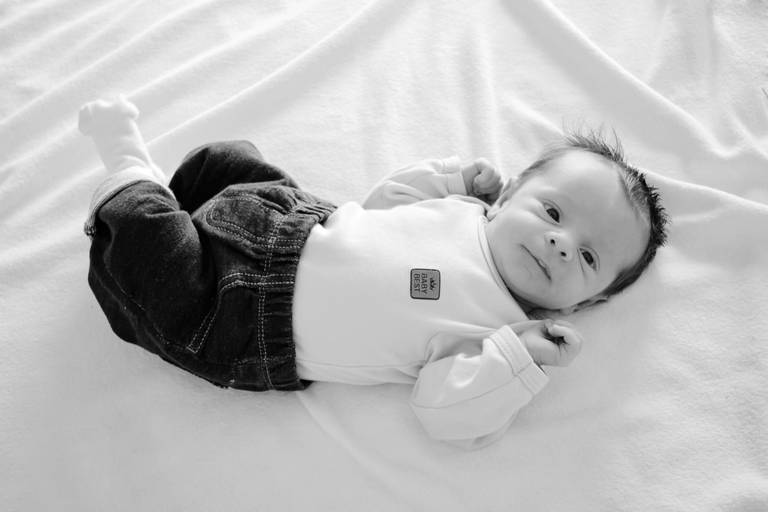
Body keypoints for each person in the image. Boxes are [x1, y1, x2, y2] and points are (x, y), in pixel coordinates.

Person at [80, 96, 668, 449]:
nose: (561, 245)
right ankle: (175, 199)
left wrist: (520, 360)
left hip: (250, 319)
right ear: (510, 195)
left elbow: (445, 412)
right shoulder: (465, 212)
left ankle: (130, 167)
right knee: (226, 162)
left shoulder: (500, 333)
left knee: (154, 269)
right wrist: (448, 178)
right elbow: (381, 205)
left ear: (584, 305)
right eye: (554, 213)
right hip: (295, 220)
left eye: (588, 258)